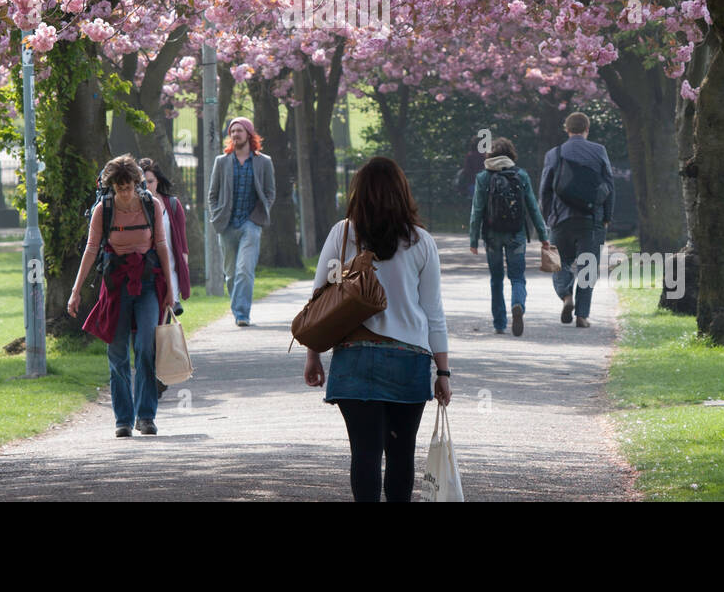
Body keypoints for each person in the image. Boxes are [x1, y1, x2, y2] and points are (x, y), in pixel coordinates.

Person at [303, 156, 450, 502]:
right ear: (402, 193)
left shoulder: (343, 234)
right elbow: (433, 313)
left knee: (365, 455)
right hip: (408, 360)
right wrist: (443, 371)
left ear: (359, 192)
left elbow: (319, 299)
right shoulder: (421, 241)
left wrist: (313, 356)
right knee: (401, 455)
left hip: (354, 360)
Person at [68, 154, 173, 437]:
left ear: (137, 183)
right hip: (115, 285)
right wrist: (76, 291)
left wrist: (170, 292)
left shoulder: (152, 205)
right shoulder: (104, 209)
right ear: (112, 186)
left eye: (129, 187)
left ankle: (146, 416)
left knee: (145, 346)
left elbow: (162, 246)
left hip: (148, 283)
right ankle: (123, 420)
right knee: (117, 352)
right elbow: (91, 250)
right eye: (119, 188)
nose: (125, 193)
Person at [539, 112, 614, 328]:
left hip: (560, 219)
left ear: (567, 129)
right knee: (588, 266)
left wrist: (547, 218)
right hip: (592, 219)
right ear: (587, 129)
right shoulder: (599, 151)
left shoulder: (554, 154)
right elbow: (609, 186)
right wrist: (607, 216)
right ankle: (582, 315)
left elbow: (545, 189)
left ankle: (565, 295)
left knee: (555, 262)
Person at [468, 137, 549, 336]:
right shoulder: (521, 175)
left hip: (492, 236)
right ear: (511, 154)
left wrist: (473, 240)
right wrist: (543, 235)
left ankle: (499, 323)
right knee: (517, 277)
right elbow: (532, 207)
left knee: (496, 279)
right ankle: (518, 304)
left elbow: (477, 211)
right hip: (516, 234)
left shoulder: (483, 177)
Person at [207, 117, 276, 326]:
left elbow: (270, 192)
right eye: (232, 131)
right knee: (230, 274)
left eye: (239, 131)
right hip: (226, 225)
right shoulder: (222, 161)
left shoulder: (264, 161)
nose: (235, 134)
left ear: (249, 134)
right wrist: (216, 215)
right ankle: (238, 308)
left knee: (245, 270)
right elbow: (212, 194)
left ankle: (241, 314)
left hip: (250, 224)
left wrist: (258, 217)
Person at [139, 158, 190, 313]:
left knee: (165, 319)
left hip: (170, 271)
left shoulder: (173, 205)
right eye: (142, 182)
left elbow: (182, 242)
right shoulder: (133, 207)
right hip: (145, 271)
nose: (147, 186)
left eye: (150, 181)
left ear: (158, 181)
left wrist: (183, 266)